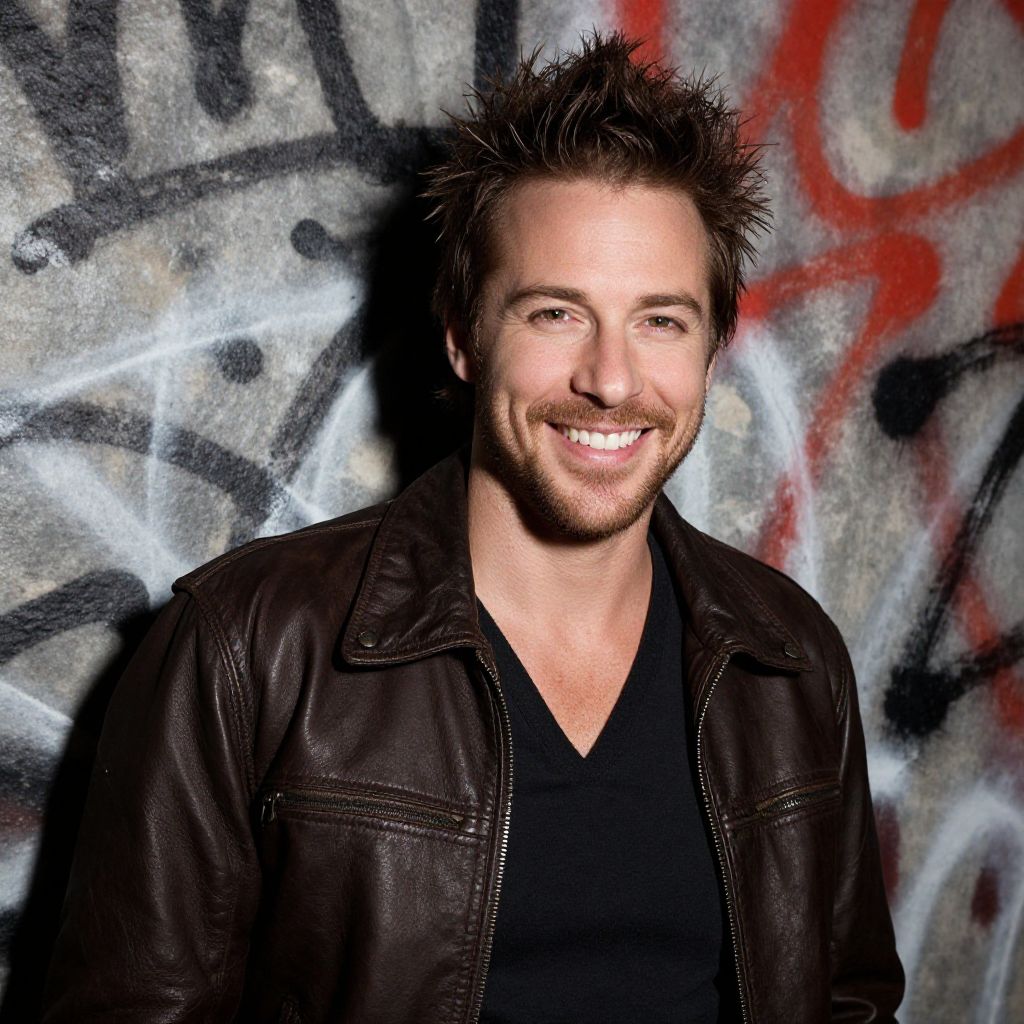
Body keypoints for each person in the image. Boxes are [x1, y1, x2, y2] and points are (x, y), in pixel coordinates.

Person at [43, 33, 903, 1024]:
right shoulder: (247, 647)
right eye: (553, 314)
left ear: (711, 347)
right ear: (462, 333)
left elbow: (849, 1000)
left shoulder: (788, 660)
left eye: (660, 320)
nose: (612, 379)